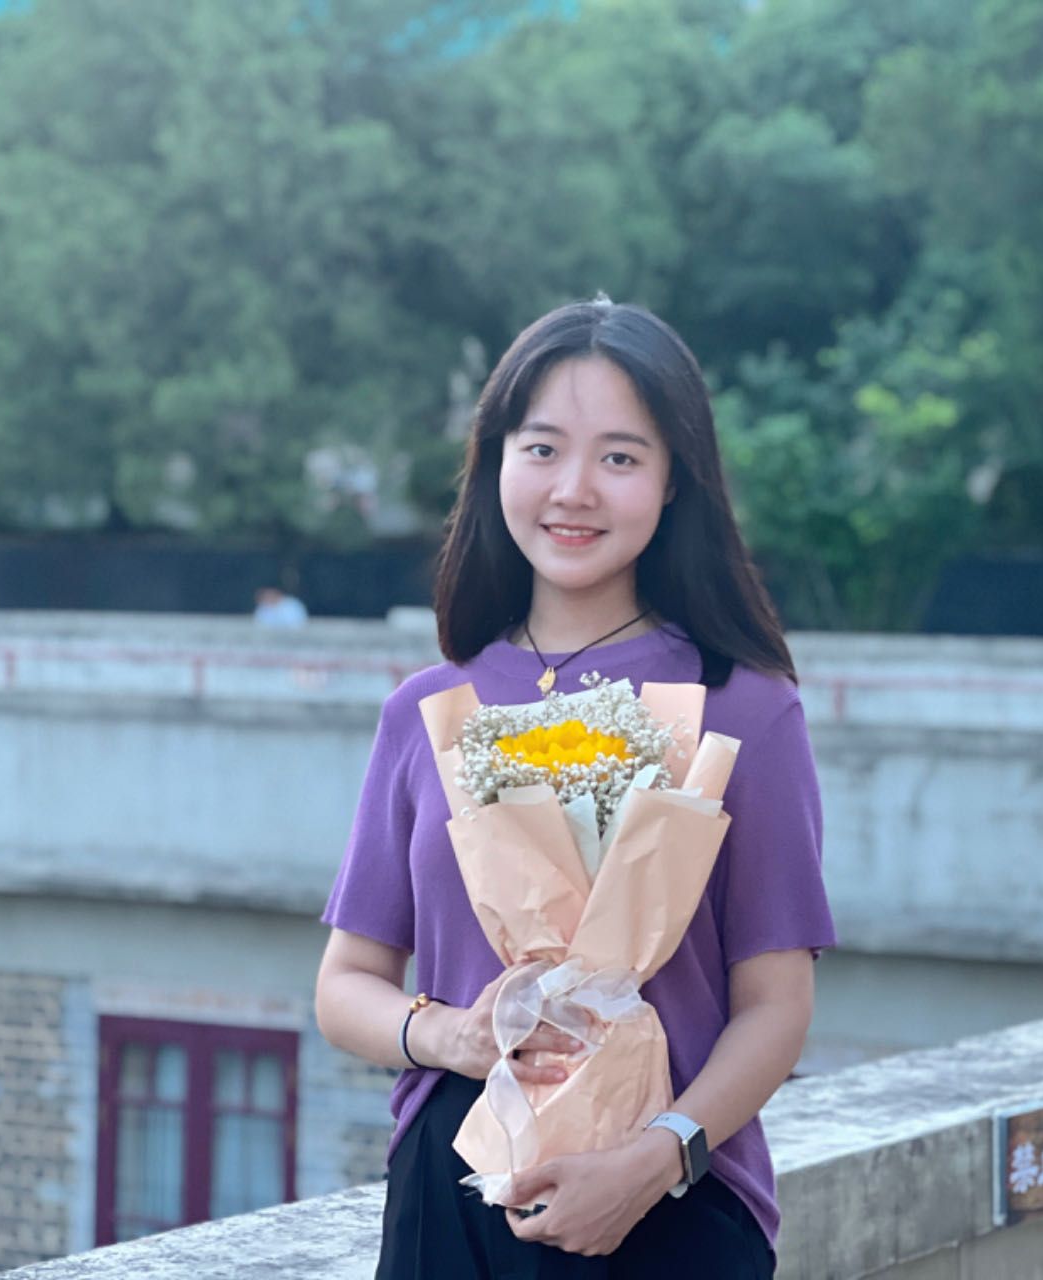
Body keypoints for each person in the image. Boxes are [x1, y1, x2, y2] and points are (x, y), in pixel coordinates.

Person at [314, 297, 836, 1278]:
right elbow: (344, 986)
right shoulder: (428, 710)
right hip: (453, 1191)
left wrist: (655, 1159)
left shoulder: (744, 708)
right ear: (495, 463)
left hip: (673, 1198)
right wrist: (452, 1034)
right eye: (542, 448)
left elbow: (776, 1005)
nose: (573, 490)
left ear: (675, 481)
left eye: (620, 457)